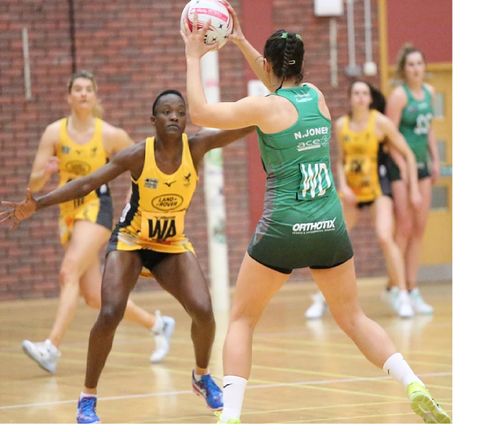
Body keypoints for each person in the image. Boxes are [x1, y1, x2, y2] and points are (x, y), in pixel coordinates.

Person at [181, 6, 451, 424]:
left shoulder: (264, 108)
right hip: (329, 226)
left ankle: (230, 417)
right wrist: (237, 38)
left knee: (242, 318)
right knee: (353, 317)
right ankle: (413, 382)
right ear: (301, 65)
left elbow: (198, 114)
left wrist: (194, 55)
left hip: (284, 227)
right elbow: (276, 74)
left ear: (269, 67)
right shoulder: (319, 98)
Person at [1, 89, 257, 423]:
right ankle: (87, 397)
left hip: (170, 244)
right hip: (130, 241)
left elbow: (239, 128)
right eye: (166, 112)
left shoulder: (197, 147)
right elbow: (88, 182)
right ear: (153, 121)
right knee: (109, 312)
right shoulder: (138, 155)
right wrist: (38, 204)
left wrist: (269, 112)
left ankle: (201, 375)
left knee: (204, 312)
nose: (174, 117)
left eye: (180, 111)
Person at [19, 70, 174, 374]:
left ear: (94, 96)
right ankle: (158, 325)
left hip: (97, 208)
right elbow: (34, 185)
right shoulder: (54, 133)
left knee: (68, 271)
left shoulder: (109, 134)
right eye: (77, 89)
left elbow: (142, 161)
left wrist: (136, 201)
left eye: (88, 89)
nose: (83, 93)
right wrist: (47, 173)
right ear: (69, 96)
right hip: (69, 214)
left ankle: (51, 348)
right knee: (93, 296)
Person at [304, 80, 422, 319]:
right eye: (355, 93)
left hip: (379, 189)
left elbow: (407, 153)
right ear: (350, 98)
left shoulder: (380, 122)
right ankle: (322, 296)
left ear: (370, 98)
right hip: (352, 192)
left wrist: (414, 189)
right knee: (335, 240)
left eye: (364, 93)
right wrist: (343, 186)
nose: (360, 97)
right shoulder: (341, 125)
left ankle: (401, 294)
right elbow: (339, 159)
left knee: (384, 236)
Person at [384, 44, 440, 315]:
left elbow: (428, 129)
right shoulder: (398, 96)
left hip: (423, 166)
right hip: (400, 167)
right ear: (404, 69)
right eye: (411, 65)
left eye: (420, 64)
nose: (416, 69)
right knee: (404, 227)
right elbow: (389, 138)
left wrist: (435, 160)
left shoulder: (429, 93)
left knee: (419, 227)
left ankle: (413, 288)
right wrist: (406, 173)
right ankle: (399, 289)